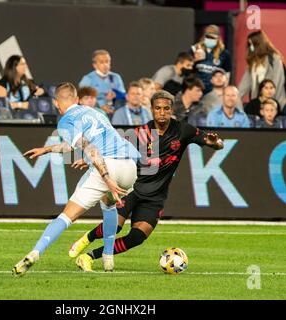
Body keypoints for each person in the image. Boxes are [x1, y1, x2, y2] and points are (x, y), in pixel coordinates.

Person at [69, 90, 224, 271]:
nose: (162, 112)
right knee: (115, 227)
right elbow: (113, 148)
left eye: (166, 108)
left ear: (171, 109)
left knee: (137, 237)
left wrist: (215, 143)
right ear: (151, 109)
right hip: (132, 189)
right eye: (158, 108)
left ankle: (88, 257)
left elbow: (216, 143)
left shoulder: (184, 130)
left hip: (155, 197)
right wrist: (88, 159)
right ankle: (87, 238)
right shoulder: (141, 133)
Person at [12, 82, 140, 276]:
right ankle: (108, 258)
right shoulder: (95, 111)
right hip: (129, 166)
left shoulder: (65, 121)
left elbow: (91, 148)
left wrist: (107, 177)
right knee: (108, 205)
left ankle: (35, 253)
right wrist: (46, 150)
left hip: (108, 168)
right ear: (77, 99)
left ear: (56, 102)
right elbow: (79, 145)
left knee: (66, 216)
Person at [238, 30, 286, 108]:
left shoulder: (274, 59)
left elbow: (278, 82)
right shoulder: (252, 63)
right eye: (249, 44)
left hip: (276, 104)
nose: (251, 47)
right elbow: (243, 86)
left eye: (252, 44)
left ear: (259, 44)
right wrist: (235, 100)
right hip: (258, 104)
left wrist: (271, 104)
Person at [79, 49, 126, 117]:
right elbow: (83, 100)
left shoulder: (116, 77)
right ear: (95, 65)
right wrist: (100, 106)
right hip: (94, 113)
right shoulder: (87, 79)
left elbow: (124, 95)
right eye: (101, 62)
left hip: (115, 112)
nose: (105, 65)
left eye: (107, 61)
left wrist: (115, 94)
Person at [190, 25, 231, 94]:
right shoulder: (195, 50)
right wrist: (195, 60)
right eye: (208, 37)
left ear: (218, 38)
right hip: (196, 89)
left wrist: (223, 91)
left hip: (214, 92)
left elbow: (227, 74)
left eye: (213, 38)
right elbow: (186, 68)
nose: (210, 39)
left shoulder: (224, 53)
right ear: (204, 37)